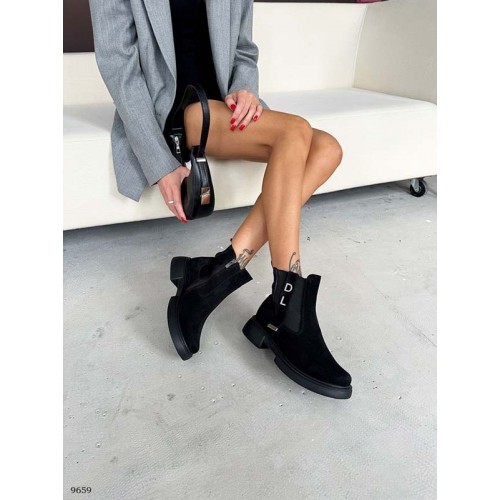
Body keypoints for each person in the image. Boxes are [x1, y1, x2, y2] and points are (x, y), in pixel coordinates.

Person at [89, 0, 352, 399]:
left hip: (225, 109)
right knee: (296, 130)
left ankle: (217, 273)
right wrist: (160, 164)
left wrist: (245, 89)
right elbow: (117, 65)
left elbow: (243, 48)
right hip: (174, 112)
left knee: (327, 148)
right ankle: (286, 308)